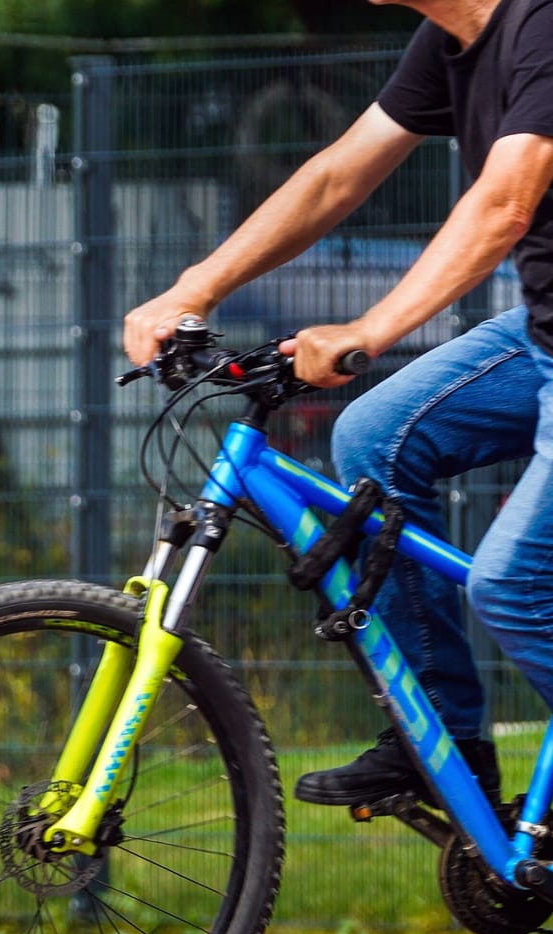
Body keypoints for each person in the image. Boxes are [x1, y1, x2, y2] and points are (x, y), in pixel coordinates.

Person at [124, 0, 553, 809]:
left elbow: (506, 205)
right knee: (374, 439)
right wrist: (194, 289)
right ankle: (443, 744)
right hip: (541, 334)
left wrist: (370, 328)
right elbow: (335, 175)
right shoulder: (452, 41)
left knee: (511, 584)